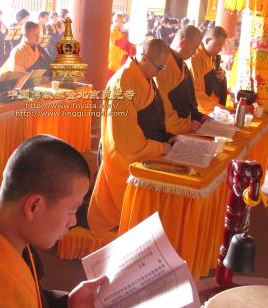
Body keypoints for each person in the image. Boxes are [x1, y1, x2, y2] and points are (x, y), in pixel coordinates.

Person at [0, 135, 107, 307]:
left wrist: (67, 303)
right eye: (71, 211)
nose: (73, 222)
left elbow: (26, 295)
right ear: (34, 206)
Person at [88, 39, 174, 237]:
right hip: (125, 154)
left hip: (149, 148)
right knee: (122, 217)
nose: (161, 72)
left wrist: (167, 140)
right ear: (143, 58)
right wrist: (158, 148)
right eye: (159, 67)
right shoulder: (123, 82)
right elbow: (125, 139)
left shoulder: (145, 76)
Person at [155, 25, 207, 135]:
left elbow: (189, 101)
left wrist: (200, 117)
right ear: (182, 43)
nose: (194, 53)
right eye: (194, 48)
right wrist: (185, 125)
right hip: (170, 131)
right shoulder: (164, 64)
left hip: (185, 127)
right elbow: (162, 105)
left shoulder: (182, 65)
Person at [188, 26, 228, 114]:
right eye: (218, 45)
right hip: (203, 109)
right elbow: (196, 91)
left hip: (213, 103)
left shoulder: (210, 56)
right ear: (207, 40)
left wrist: (221, 76)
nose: (220, 49)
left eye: (221, 45)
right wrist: (216, 108)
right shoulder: (195, 56)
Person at [107, 13, 136, 80]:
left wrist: (132, 45)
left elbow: (125, 42)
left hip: (122, 57)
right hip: (115, 57)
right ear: (116, 20)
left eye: (123, 20)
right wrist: (122, 52)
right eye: (121, 20)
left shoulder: (121, 31)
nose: (123, 22)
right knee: (112, 75)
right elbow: (112, 46)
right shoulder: (112, 30)